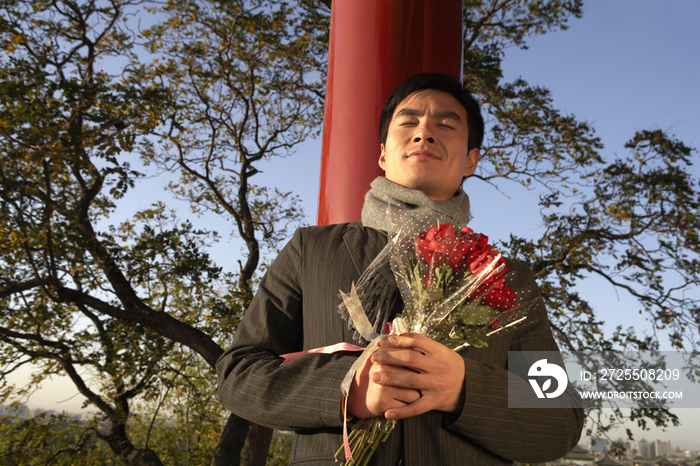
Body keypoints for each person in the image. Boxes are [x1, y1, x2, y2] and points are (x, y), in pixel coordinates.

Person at [216, 72, 583, 465]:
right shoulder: (312, 248)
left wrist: (464, 387)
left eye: (445, 124)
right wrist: (347, 390)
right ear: (382, 154)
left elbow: (558, 418)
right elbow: (237, 373)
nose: (424, 132)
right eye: (408, 121)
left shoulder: (505, 275)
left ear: (471, 159)